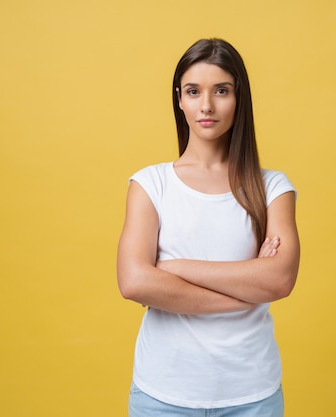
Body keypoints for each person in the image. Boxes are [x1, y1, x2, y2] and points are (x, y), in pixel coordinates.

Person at [117, 38, 300, 417]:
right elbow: (134, 282)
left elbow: (280, 279)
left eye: (221, 90)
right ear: (179, 100)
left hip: (252, 395)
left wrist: (175, 269)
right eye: (193, 91)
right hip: (162, 396)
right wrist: (248, 291)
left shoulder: (273, 188)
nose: (206, 105)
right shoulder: (150, 185)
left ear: (239, 98)